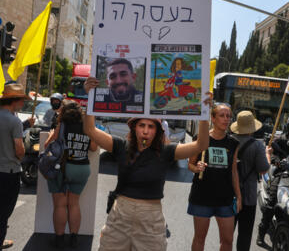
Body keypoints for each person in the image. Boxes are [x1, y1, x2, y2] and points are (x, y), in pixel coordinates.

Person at [83, 76, 211, 251]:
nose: (145, 131)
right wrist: (90, 96)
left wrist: (204, 113)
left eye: (151, 127)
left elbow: (201, 145)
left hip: (151, 220)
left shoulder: (167, 151)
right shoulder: (120, 146)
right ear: (134, 127)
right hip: (120, 215)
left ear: (157, 131)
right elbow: (89, 129)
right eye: (141, 125)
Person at [44, 99, 97, 248]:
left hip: (62, 168)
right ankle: (74, 238)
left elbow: (47, 145)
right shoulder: (88, 127)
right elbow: (93, 147)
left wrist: (51, 134)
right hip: (82, 168)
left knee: (60, 205)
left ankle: (59, 239)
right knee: (74, 204)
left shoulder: (61, 126)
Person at [187, 103, 241, 251]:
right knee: (200, 238)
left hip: (225, 199)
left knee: (228, 240)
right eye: (221, 116)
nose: (225, 119)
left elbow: (234, 172)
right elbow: (190, 165)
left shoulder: (233, 143)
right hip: (202, 197)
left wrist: (239, 196)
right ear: (213, 118)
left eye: (228, 116)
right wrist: (196, 168)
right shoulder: (200, 138)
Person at [0, 83, 30, 250]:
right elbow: (19, 150)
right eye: (22, 101)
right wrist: (22, 153)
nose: (23, 104)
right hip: (9, 170)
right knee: (4, 209)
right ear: (14, 101)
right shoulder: (14, 121)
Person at [256, 113, 289, 247]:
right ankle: (261, 234)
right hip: (282, 176)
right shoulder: (281, 140)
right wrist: (277, 161)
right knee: (271, 203)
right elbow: (271, 154)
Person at [230, 111, 270, 251]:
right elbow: (264, 169)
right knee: (245, 235)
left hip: (230, 195)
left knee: (227, 237)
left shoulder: (229, 141)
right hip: (248, 197)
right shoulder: (257, 146)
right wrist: (267, 154)